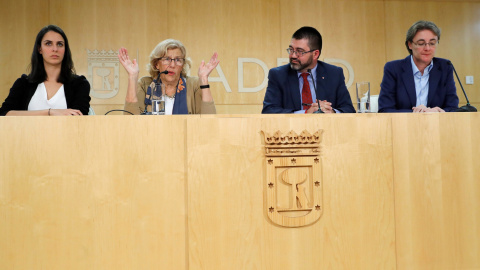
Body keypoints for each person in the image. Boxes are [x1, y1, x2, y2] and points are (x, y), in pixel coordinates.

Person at [0, 25, 91, 116]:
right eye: (48, 44)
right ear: (40, 49)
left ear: (65, 49)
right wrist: (50, 112)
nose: (55, 49)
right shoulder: (23, 83)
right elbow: (4, 114)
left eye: (60, 44)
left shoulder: (80, 84)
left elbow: (80, 117)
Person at [262, 26, 355, 114]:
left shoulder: (334, 73)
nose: (293, 55)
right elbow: (269, 111)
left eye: (300, 51)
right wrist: (305, 113)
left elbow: (348, 110)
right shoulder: (278, 75)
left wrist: (332, 112)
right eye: (291, 50)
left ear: (315, 54)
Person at [118, 39, 218, 115]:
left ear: (183, 65)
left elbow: (209, 121)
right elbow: (130, 121)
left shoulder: (193, 84)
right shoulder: (145, 84)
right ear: (157, 64)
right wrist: (132, 77)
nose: (173, 65)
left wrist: (204, 79)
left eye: (178, 60)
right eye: (167, 59)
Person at [378, 20, 459, 113]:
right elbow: (385, 109)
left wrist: (439, 112)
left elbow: (453, 108)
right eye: (421, 43)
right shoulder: (393, 68)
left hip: (437, 125)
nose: (427, 48)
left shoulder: (445, 67)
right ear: (410, 45)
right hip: (402, 125)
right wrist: (417, 113)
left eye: (432, 43)